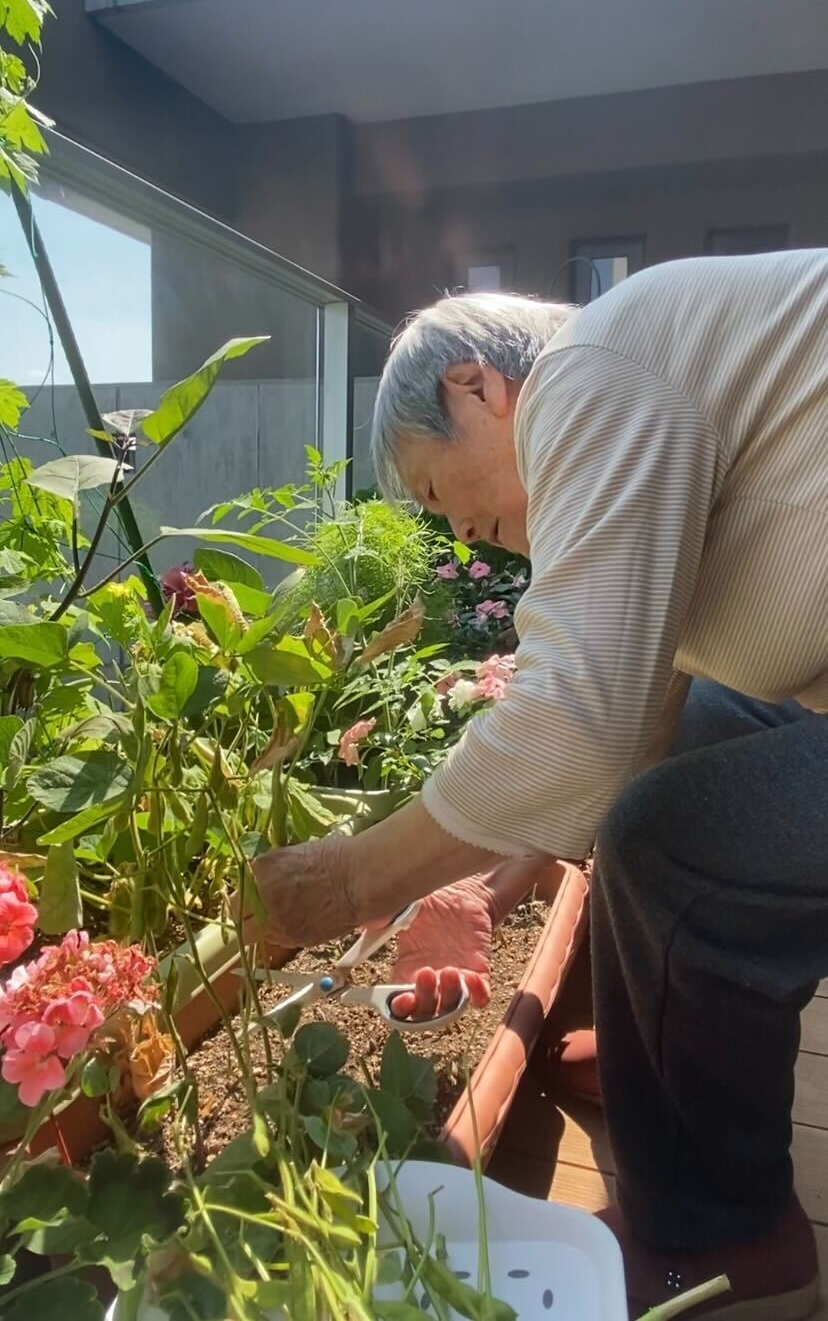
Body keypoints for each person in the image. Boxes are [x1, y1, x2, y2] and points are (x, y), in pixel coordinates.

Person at [248, 250, 827, 1319]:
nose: (459, 532)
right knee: (695, 738)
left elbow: (576, 722)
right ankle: (671, 1060)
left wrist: (350, 880)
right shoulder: (656, 372)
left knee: (671, 839)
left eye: (436, 490)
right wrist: (485, 885)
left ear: (476, 385)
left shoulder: (591, 367)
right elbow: (635, 725)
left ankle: (725, 1230)